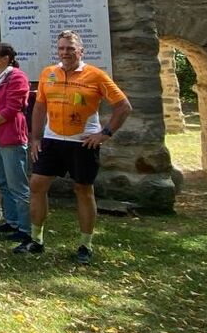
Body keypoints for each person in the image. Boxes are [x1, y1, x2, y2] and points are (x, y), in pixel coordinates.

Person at [23, 31, 132, 263]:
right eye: (61, 48)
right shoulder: (48, 73)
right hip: (52, 141)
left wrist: (104, 134)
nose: (65, 53)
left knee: (83, 190)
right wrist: (35, 138)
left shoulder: (96, 76)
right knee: (37, 184)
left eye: (70, 49)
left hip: (82, 142)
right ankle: (36, 239)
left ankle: (85, 245)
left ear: (81, 51)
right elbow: (40, 107)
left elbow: (123, 106)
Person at [0, 42, 32, 245]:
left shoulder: (17, 77)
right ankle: (12, 221)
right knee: (2, 180)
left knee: (17, 184)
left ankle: (26, 228)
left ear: (5, 59)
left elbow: (12, 109)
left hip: (10, 136)